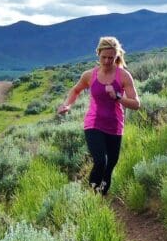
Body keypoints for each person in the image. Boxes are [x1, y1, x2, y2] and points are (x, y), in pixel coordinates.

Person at [57, 36, 140, 195]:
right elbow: (75, 90)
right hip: (93, 123)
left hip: (115, 125)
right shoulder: (89, 75)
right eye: (104, 57)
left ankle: (100, 198)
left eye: (111, 57)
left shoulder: (123, 76)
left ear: (117, 56)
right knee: (101, 161)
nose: (107, 61)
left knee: (109, 167)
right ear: (98, 54)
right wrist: (67, 104)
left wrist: (117, 97)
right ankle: (91, 194)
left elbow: (136, 104)